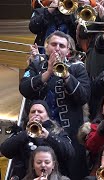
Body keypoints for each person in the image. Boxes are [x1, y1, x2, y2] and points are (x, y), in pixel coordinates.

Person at [19, 30, 91, 180]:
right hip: (38, 132)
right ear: (46, 48)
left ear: (68, 50)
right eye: (53, 44)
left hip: (69, 135)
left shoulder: (77, 68)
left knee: (73, 173)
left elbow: (83, 96)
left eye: (62, 45)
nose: (57, 48)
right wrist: (48, 73)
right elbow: (24, 88)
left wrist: (66, 76)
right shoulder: (36, 66)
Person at [0, 100, 74, 179]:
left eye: (40, 111)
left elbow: (70, 153)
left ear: (47, 116)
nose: (36, 114)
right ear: (28, 116)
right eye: (33, 112)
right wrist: (25, 133)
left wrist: (48, 136)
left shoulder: (58, 132)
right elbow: (5, 150)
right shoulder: (21, 132)